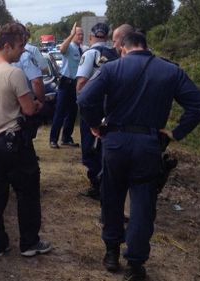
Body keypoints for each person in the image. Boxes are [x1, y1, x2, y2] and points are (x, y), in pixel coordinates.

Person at [78, 32, 200, 281]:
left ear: (124, 48)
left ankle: (111, 253)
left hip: (114, 143)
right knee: (142, 205)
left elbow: (84, 98)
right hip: (149, 145)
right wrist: (176, 133)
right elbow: (198, 105)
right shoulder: (170, 70)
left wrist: (95, 125)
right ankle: (136, 264)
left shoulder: (111, 69)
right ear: (146, 46)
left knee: (112, 198)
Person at [0, 22, 52, 258]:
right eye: (20, 46)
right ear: (7, 46)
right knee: (27, 194)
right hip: (15, 143)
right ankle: (28, 243)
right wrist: (37, 105)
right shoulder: (14, 73)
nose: (22, 51)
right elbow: (27, 110)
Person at [76, 23, 119, 200]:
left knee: (89, 148)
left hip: (93, 109)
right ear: (107, 38)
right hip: (111, 109)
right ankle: (106, 182)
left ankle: (97, 184)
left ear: (91, 37)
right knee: (104, 147)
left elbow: (81, 84)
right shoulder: (117, 55)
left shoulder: (90, 54)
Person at [49, 22, 83, 149]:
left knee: (72, 113)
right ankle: (53, 139)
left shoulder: (81, 49)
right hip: (66, 83)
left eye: (82, 35)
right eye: (78, 34)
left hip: (75, 84)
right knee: (60, 112)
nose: (80, 37)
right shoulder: (70, 47)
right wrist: (71, 35)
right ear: (73, 35)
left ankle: (66, 138)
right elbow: (62, 48)